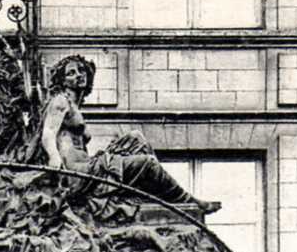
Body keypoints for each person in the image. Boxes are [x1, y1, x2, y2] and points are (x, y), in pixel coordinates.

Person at [37, 55, 216, 213]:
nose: (79, 75)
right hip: (77, 174)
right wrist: (54, 158)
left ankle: (152, 198)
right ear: (62, 81)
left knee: (136, 138)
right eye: (71, 73)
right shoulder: (60, 101)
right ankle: (188, 203)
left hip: (89, 165)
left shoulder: (75, 106)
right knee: (147, 163)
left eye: (81, 70)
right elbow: (48, 133)